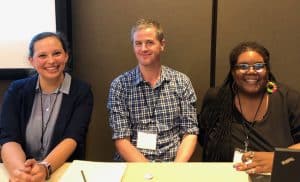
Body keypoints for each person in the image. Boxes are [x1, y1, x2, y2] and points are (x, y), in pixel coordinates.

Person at [0, 32, 93, 181]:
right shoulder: (16, 90)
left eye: (57, 53)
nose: (51, 61)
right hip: (22, 171)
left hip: (61, 171)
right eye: (42, 56)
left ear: (66, 56)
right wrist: (21, 172)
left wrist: (45, 168)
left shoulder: (81, 91)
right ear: (31, 61)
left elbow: (73, 137)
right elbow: (9, 137)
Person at [198, 41, 300, 174]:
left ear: (267, 69)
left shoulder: (288, 99)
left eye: (259, 66)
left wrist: (278, 159)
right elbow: (202, 138)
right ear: (233, 72)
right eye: (243, 66)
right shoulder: (216, 98)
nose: (251, 71)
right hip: (224, 176)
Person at [107, 18, 198, 162]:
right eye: (138, 43)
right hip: (134, 166)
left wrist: (176, 170)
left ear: (162, 45)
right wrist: (150, 172)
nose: (143, 48)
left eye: (149, 42)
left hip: (173, 164)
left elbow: (190, 132)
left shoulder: (181, 82)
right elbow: (121, 137)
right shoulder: (120, 86)